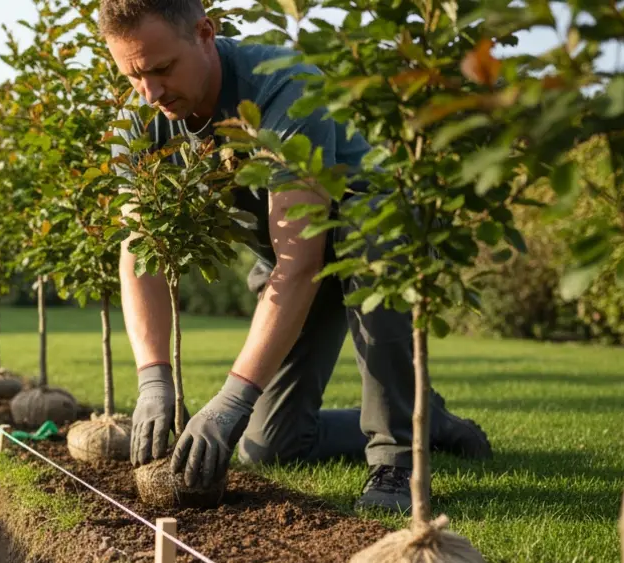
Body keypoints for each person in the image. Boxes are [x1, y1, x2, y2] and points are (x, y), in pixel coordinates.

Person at [99, 0, 492, 512]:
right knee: (269, 445)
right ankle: (428, 421)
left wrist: (231, 398)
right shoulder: (140, 121)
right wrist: (154, 378)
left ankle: (395, 458)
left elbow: (300, 260)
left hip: (368, 238)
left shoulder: (283, 88)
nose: (149, 92)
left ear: (203, 33)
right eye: (133, 76)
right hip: (293, 261)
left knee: (372, 239)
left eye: (161, 69)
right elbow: (141, 249)